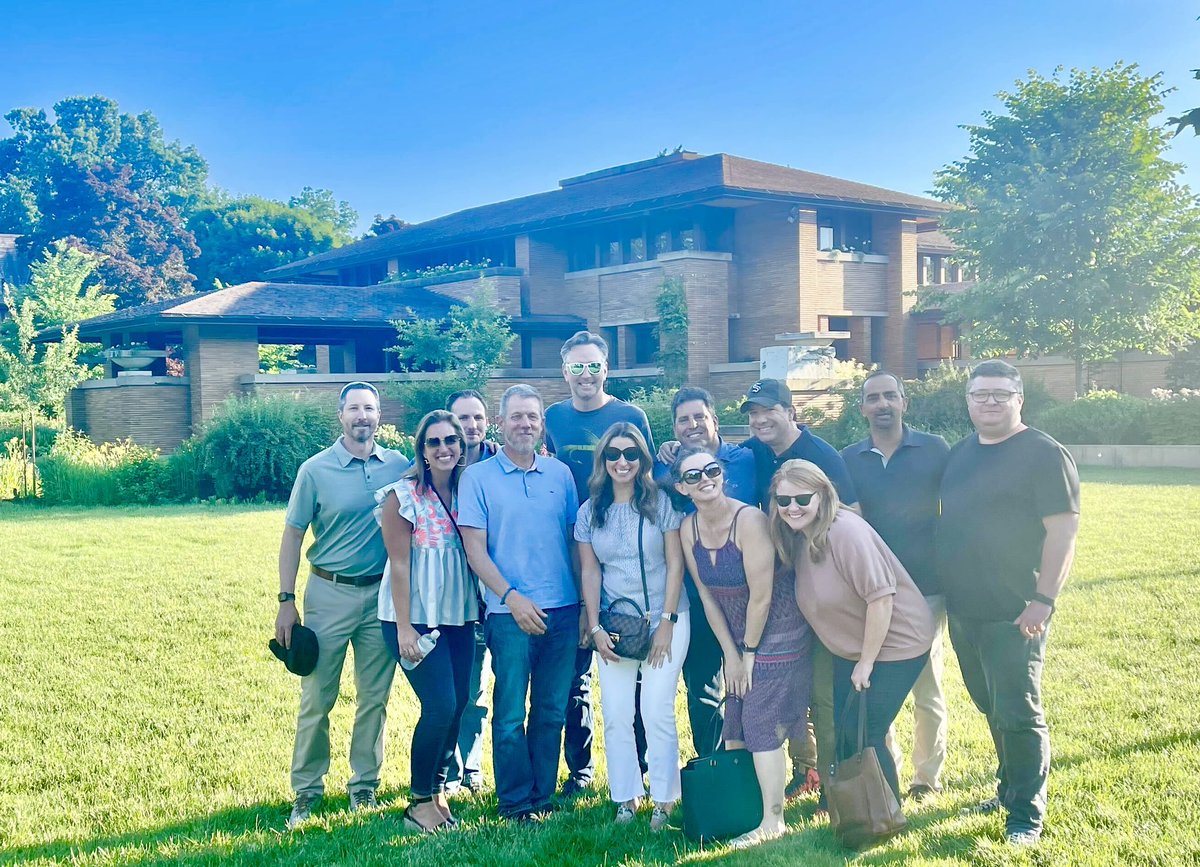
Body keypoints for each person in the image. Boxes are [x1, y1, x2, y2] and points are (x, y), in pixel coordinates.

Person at [937, 360, 1079, 847]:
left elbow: (1063, 532)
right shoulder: (960, 454)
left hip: (1017, 611)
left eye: (1000, 394)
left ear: (1020, 400)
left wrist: (1044, 600)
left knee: (1018, 712)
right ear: (969, 402)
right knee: (990, 705)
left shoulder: (1044, 454)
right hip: (965, 609)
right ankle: (1008, 789)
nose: (990, 403)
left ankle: (1025, 814)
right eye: (980, 395)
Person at [276, 381, 409, 829]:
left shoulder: (399, 465)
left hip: (381, 597)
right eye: (354, 408)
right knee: (317, 697)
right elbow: (293, 535)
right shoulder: (315, 470)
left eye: (369, 408)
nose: (362, 416)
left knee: (375, 697)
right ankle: (307, 791)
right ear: (341, 415)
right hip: (327, 594)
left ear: (378, 415)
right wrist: (286, 601)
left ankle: (364, 786)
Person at [768, 459, 934, 805]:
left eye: (802, 498)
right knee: (846, 734)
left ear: (823, 495)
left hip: (896, 645)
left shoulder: (846, 531)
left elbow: (881, 599)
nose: (792, 507)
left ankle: (885, 814)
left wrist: (866, 662)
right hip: (851, 649)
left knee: (868, 733)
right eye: (784, 501)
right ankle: (848, 805)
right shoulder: (798, 533)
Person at [673, 448, 811, 848]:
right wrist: (732, 656)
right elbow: (705, 595)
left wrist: (748, 655)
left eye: (712, 470)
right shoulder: (688, 529)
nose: (705, 479)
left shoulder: (748, 519)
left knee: (759, 716)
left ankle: (773, 819)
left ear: (722, 474)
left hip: (780, 628)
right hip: (738, 636)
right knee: (734, 716)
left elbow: (763, 596)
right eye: (693, 475)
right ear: (682, 487)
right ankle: (744, 807)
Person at [457, 384, 582, 821]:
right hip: (507, 614)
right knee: (509, 712)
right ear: (501, 422)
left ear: (541, 423)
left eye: (532, 416)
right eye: (515, 416)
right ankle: (513, 801)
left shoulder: (561, 475)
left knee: (550, 710)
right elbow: (475, 551)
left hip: (563, 612)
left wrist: (584, 605)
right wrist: (511, 598)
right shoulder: (477, 478)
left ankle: (541, 796)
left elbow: (573, 543)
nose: (524, 424)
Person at [544, 330, 655, 796]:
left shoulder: (629, 416)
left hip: (623, 552)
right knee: (576, 672)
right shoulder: (552, 416)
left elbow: (648, 474)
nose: (585, 375)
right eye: (576, 367)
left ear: (606, 370)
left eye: (593, 366)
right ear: (564, 370)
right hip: (569, 549)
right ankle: (581, 770)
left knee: (633, 667)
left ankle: (645, 767)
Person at [841, 370, 951, 800]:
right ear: (863, 408)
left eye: (891, 395)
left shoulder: (934, 450)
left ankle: (927, 778)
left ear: (905, 401)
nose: (882, 404)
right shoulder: (848, 458)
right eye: (874, 398)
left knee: (927, 686)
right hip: (871, 593)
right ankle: (886, 770)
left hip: (926, 588)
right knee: (879, 688)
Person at [578, 423, 689, 830]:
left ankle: (665, 799)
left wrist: (666, 621)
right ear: (603, 461)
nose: (622, 461)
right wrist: (594, 628)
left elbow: (676, 564)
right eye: (613, 454)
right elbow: (590, 572)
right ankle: (626, 797)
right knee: (617, 712)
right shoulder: (590, 511)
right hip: (616, 624)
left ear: (643, 459)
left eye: (631, 454)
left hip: (666, 617)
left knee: (656, 709)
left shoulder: (660, 503)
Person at [376, 410, 479, 832]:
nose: (444, 449)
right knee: (439, 706)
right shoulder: (402, 497)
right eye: (434, 442)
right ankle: (418, 802)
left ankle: (436, 793)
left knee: (457, 707)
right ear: (421, 449)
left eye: (451, 440)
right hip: (414, 618)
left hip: (458, 617)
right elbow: (400, 565)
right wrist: (404, 629)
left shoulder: (468, 490)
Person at [651, 387, 754, 758]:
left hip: (749, 592)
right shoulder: (664, 467)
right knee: (704, 688)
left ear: (714, 419)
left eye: (699, 417)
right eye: (683, 420)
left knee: (755, 682)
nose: (692, 425)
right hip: (697, 594)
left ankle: (759, 763)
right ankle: (713, 764)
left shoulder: (746, 459)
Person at [444, 389, 498, 795]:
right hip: (459, 596)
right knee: (465, 687)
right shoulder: (440, 470)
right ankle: (459, 768)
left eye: (478, 417)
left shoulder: (501, 461)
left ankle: (473, 769)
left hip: (502, 592)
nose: (471, 426)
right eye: (463, 418)